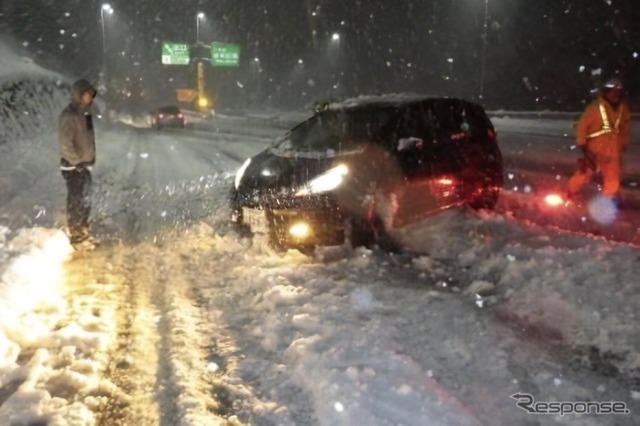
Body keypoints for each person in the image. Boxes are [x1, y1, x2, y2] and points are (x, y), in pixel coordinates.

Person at [567, 77, 631, 203]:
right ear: (606, 92)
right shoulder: (595, 108)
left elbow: (625, 128)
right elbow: (582, 127)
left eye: (617, 91)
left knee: (613, 178)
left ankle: (608, 200)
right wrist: (583, 145)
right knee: (585, 174)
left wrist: (623, 144)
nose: (615, 94)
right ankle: (571, 192)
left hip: (614, 150)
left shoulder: (623, 109)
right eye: (612, 91)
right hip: (595, 150)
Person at [58, 79, 99, 245]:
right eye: (87, 94)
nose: (90, 97)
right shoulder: (69, 115)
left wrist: (90, 158)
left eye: (91, 94)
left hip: (84, 165)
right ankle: (76, 233)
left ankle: (83, 229)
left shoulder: (86, 114)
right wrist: (77, 162)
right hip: (72, 166)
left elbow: (88, 137)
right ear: (78, 94)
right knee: (76, 200)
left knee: (85, 199)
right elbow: (65, 144)